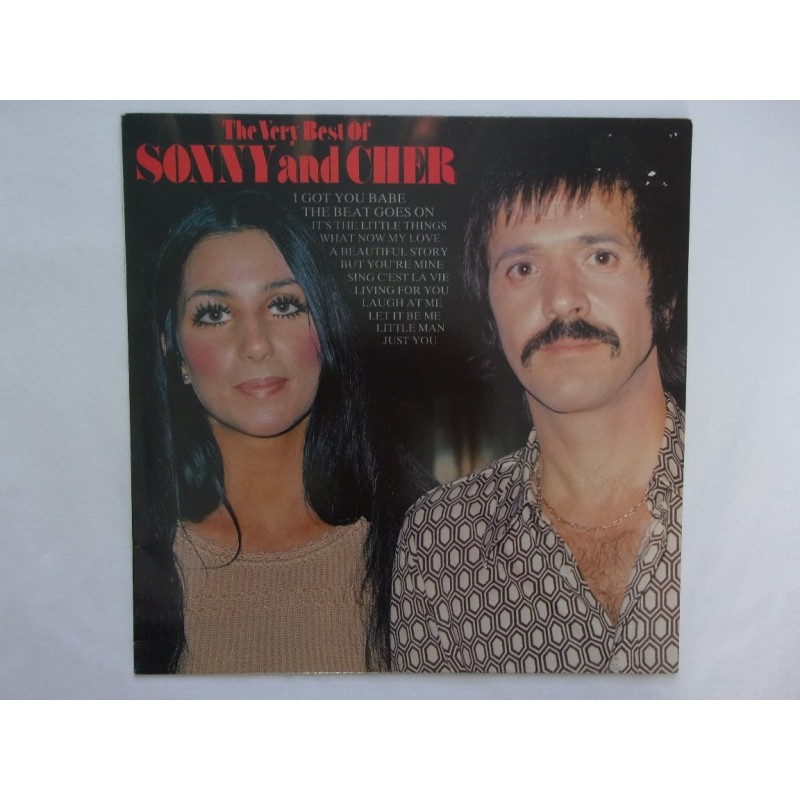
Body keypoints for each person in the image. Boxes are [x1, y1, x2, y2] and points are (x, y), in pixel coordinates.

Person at [390, 123, 688, 673]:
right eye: (522, 269)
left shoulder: (760, 496)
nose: (562, 301)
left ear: (665, 292)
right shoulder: (440, 546)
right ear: (489, 312)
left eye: (600, 257)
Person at [132, 190, 429, 673]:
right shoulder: (126, 564)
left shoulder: (429, 546)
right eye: (215, 313)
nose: (255, 344)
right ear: (174, 349)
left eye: (284, 306)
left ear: (326, 325)